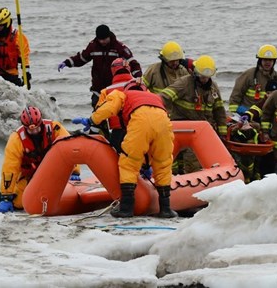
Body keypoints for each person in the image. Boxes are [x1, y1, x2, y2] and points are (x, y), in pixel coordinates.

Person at [72, 81, 177, 218]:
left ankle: (127, 208)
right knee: (163, 163)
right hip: (164, 123)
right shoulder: (155, 97)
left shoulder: (123, 95)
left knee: (129, 162)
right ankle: (166, 208)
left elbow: (108, 108)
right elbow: (153, 127)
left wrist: (92, 120)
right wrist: (146, 164)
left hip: (139, 121)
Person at [0, 106, 80, 213]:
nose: (34, 131)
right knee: (20, 204)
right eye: (31, 130)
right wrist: (6, 196)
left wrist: (74, 171)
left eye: (37, 128)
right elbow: (9, 168)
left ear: (41, 123)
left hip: (55, 172)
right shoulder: (16, 139)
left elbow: (70, 148)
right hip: (30, 175)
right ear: (25, 128)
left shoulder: (55, 129)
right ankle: (5, 196)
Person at [161, 55, 228, 174]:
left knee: (198, 160)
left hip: (202, 131)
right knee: (190, 161)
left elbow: (219, 111)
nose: (204, 79)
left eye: (207, 77)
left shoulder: (213, 88)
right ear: (196, 73)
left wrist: (222, 133)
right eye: (202, 76)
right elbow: (164, 97)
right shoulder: (184, 83)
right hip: (183, 128)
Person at [58, 24, 142, 109]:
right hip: (98, 88)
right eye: (100, 39)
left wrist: (138, 77)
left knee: (114, 113)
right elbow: (82, 58)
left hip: (115, 88)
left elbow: (133, 63)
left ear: (109, 36)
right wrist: (67, 62)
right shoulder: (93, 46)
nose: (102, 42)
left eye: (104, 39)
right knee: (97, 113)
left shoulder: (119, 47)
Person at [228, 44, 277, 117]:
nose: (268, 62)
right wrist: (236, 113)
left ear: (274, 61)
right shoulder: (249, 75)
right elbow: (235, 96)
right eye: (265, 59)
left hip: (266, 116)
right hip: (246, 113)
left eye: (270, 60)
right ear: (260, 60)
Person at [95, 58, 135, 153]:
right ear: (129, 69)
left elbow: (100, 114)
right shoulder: (140, 85)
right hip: (138, 129)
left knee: (117, 161)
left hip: (117, 134)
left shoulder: (107, 91)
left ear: (113, 71)